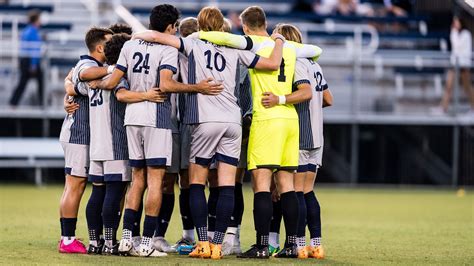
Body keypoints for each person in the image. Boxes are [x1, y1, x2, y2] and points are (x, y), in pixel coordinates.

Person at [133, 6, 285, 259]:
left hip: (206, 121)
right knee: (226, 185)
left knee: (195, 182)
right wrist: (279, 39)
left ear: (202, 25)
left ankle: (202, 242)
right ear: (222, 27)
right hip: (232, 122)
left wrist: (138, 36)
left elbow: (157, 36)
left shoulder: (193, 43)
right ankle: (218, 244)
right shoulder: (236, 47)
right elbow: (272, 63)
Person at [93, 4, 223, 257]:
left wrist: (84, 84)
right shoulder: (168, 48)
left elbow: (111, 81)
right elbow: (166, 84)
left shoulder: (130, 46)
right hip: (157, 118)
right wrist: (198, 87)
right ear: (170, 27)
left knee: (137, 180)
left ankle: (127, 240)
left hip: (132, 118)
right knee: (155, 181)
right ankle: (146, 244)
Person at [198, 5, 323, 259]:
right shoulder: (289, 47)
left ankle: (262, 245)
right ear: (265, 23)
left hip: (267, 118)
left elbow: (215, 36)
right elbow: (316, 51)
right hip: (290, 120)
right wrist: (279, 38)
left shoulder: (250, 44)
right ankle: (292, 245)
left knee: (261, 185)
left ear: (245, 26)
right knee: (287, 184)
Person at [273, 23, 333, 259]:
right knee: (308, 191)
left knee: (295, 191)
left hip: (301, 132)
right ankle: (316, 245)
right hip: (317, 135)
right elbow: (328, 98)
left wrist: (284, 100)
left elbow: (305, 92)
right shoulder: (314, 63)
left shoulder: (295, 62)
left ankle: (297, 244)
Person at [58, 26, 114, 254]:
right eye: (108, 44)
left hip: (80, 131)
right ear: (100, 47)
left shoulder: (93, 65)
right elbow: (80, 75)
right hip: (78, 132)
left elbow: (70, 80)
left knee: (74, 185)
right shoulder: (88, 65)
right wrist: (114, 68)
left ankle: (67, 237)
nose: (111, 48)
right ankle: (67, 239)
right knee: (76, 184)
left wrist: (68, 90)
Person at [9, 9, 44, 107]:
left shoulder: (26, 31)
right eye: (39, 19)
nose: (40, 21)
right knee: (39, 80)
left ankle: (13, 102)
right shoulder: (32, 32)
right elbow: (33, 50)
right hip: (30, 61)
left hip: (24, 60)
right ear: (35, 20)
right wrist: (33, 65)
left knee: (23, 82)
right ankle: (42, 103)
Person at [439, 16, 474, 113]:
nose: (455, 25)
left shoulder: (466, 34)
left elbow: (457, 46)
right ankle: (443, 108)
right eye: (454, 23)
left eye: (456, 22)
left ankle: (473, 107)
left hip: (463, 65)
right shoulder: (456, 33)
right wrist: (453, 33)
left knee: (467, 87)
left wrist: (453, 32)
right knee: (448, 86)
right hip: (455, 64)